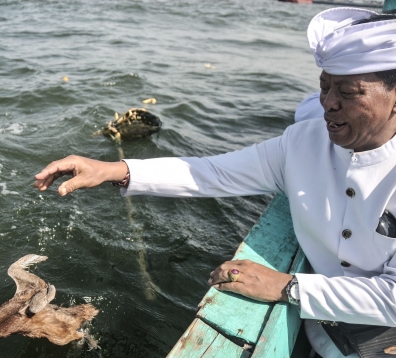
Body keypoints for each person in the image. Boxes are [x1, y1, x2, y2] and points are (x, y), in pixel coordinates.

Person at [35, 8, 396, 357]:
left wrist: (287, 286)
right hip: (326, 332)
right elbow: (210, 172)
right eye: (323, 87)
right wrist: (112, 170)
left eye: (348, 93)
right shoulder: (302, 142)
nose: (328, 104)